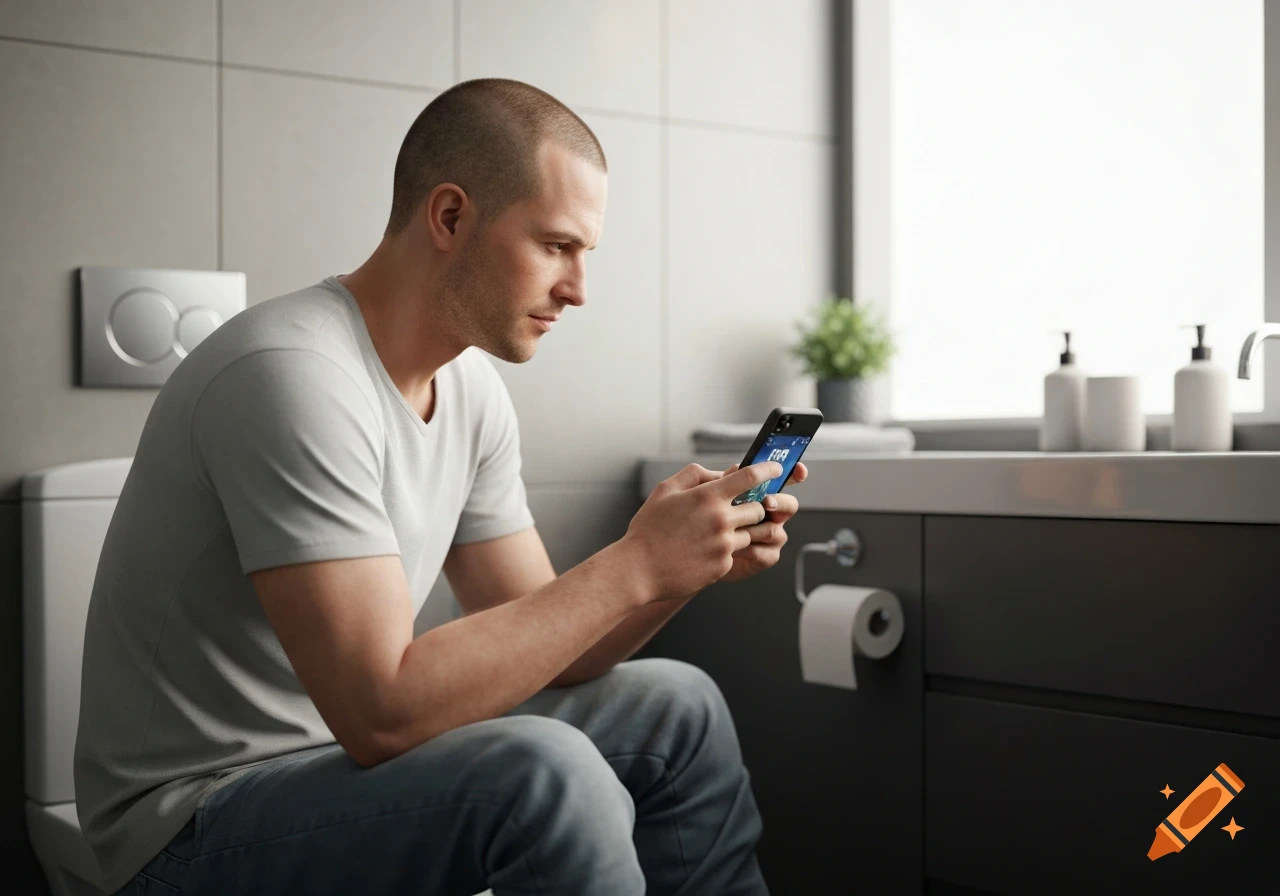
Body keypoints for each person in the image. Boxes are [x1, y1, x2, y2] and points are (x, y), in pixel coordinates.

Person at [76, 77, 808, 896]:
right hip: (188, 825)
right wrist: (633, 564)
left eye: (584, 255)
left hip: (337, 773)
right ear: (451, 216)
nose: (578, 289)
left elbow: (555, 651)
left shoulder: (469, 393)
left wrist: (679, 566)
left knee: (679, 706)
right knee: (542, 773)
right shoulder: (289, 376)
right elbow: (382, 711)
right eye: (556, 246)